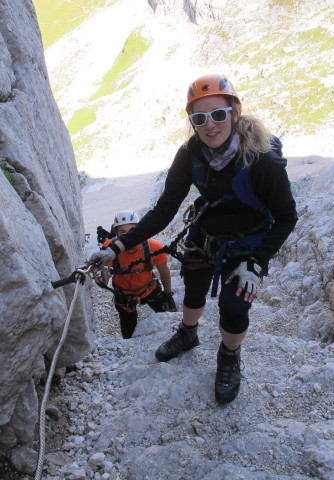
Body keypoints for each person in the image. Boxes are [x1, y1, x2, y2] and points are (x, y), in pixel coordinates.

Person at [89, 74, 297, 404]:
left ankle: (228, 356)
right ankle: (188, 333)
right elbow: (163, 211)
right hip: (207, 234)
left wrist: (256, 263)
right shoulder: (190, 154)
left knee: (233, 306)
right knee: (194, 285)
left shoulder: (261, 160)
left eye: (217, 114)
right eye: (199, 118)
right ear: (192, 122)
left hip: (249, 244)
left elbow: (287, 216)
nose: (209, 125)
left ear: (235, 111)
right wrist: (117, 247)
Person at [97, 210, 176, 339]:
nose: (129, 237)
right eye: (123, 232)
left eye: (132, 231)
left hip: (149, 289)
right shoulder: (109, 249)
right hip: (124, 295)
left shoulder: (153, 247)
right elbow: (104, 276)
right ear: (116, 234)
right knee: (128, 331)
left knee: (171, 318)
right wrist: (101, 277)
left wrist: (168, 294)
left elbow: (164, 271)